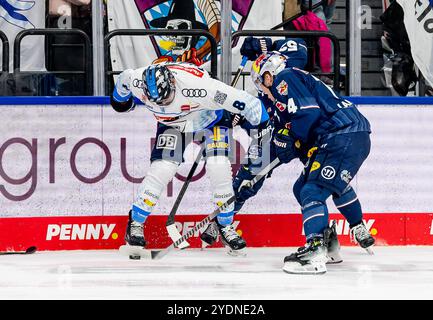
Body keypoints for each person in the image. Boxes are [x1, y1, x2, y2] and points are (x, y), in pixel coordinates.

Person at [110, 62, 271, 257]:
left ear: (173, 84)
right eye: (158, 101)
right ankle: (135, 223)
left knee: (218, 167)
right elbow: (123, 81)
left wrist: (261, 129)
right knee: (162, 168)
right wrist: (121, 102)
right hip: (172, 124)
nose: (163, 104)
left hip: (212, 120)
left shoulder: (202, 88)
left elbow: (253, 105)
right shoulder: (136, 79)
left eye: (167, 98)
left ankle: (225, 226)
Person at [235, 53, 374, 274]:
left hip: (340, 134)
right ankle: (331, 243)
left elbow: (307, 116)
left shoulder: (286, 78)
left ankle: (315, 249)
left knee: (313, 190)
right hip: (345, 134)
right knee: (304, 187)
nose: (263, 91)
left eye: (261, 83)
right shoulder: (290, 93)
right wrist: (259, 171)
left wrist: (287, 140)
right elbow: (289, 142)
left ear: (269, 76)